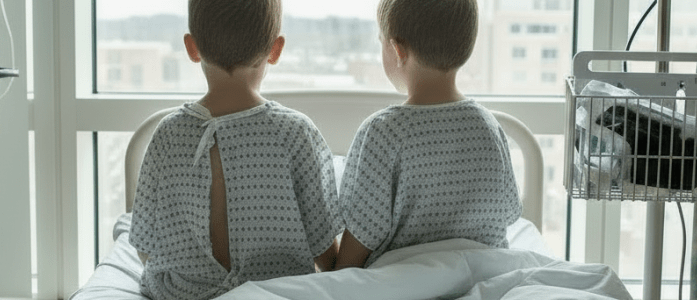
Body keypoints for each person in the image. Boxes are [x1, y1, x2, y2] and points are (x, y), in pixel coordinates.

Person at [129, 0, 339, 298]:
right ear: (276, 49)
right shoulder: (295, 133)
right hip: (274, 293)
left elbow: (145, 244)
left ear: (191, 47)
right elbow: (324, 249)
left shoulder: (168, 133)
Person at [334, 0, 522, 269]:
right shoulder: (489, 127)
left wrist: (337, 274)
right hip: (484, 275)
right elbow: (508, 212)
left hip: (404, 280)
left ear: (398, 50)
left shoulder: (383, 132)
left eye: (381, 41)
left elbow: (362, 233)